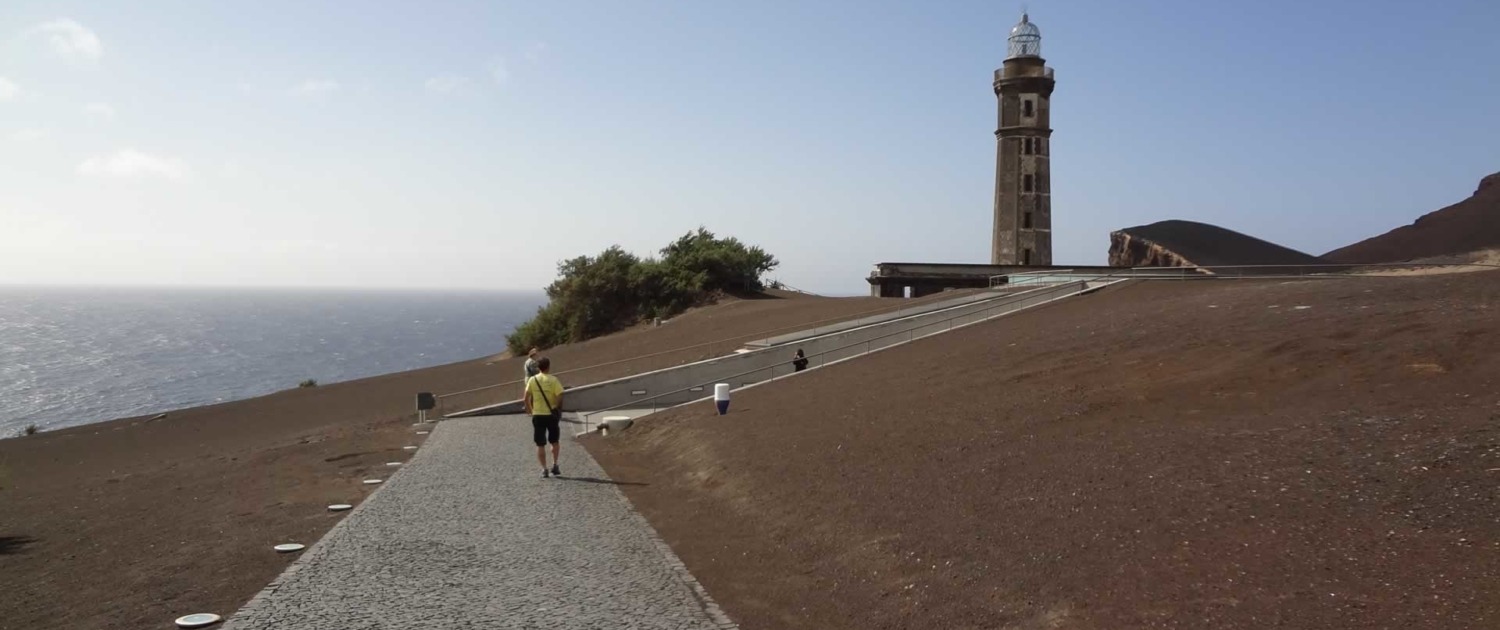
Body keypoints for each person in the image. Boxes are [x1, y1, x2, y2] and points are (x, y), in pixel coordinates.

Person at [524, 356, 565, 478]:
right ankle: (555, 465)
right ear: (548, 366)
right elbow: (560, 394)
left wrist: (530, 410)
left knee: (540, 443)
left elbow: (525, 398)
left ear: (538, 368)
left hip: (538, 415)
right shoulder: (553, 380)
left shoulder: (532, 380)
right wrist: (556, 407)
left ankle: (544, 469)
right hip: (551, 415)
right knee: (554, 441)